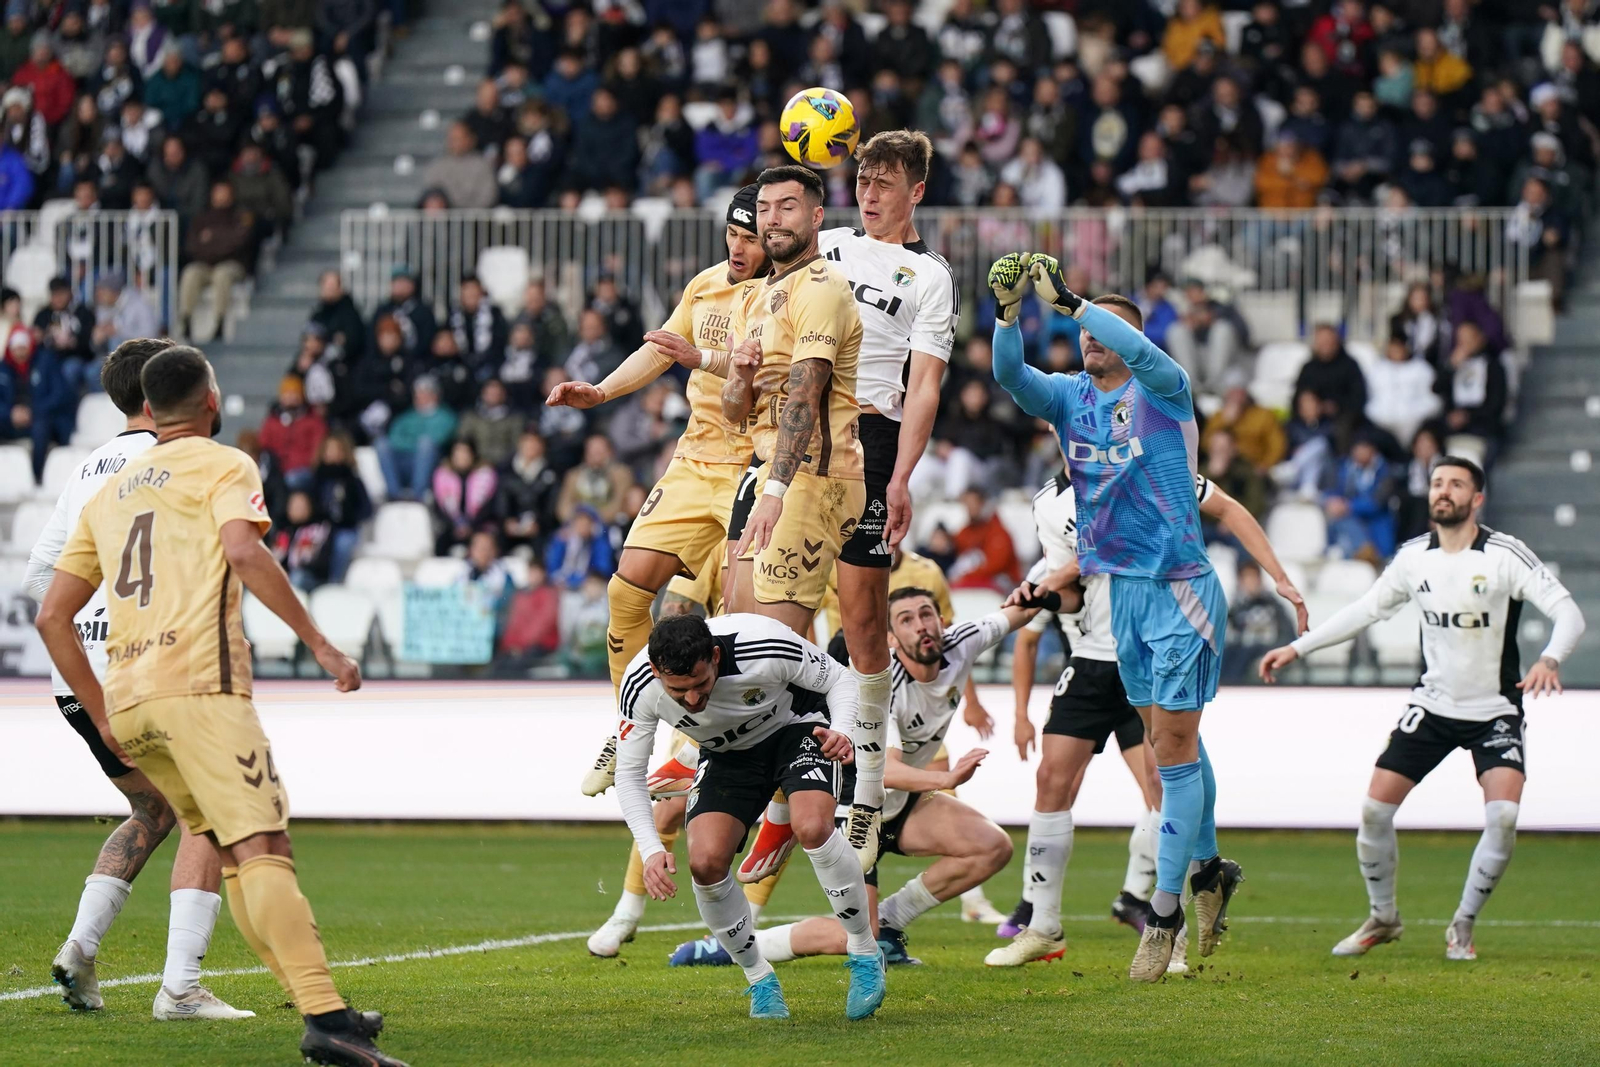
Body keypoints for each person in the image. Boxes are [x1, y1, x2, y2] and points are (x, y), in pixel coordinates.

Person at [34, 345, 406, 1065]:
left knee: (229, 849)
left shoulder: (106, 490)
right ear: (211, 401)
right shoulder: (225, 464)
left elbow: (52, 613)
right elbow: (243, 550)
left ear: (147, 407)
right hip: (199, 688)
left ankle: (307, 1007)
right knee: (264, 846)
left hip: (130, 700)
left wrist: (102, 714)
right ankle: (325, 1019)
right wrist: (323, 645)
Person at [988, 252, 1237, 982]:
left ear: (1136, 340)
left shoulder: (1165, 390)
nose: (1091, 338)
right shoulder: (1070, 396)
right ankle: (1209, 868)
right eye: (1086, 331)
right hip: (1121, 594)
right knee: (1172, 744)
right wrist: (1008, 316)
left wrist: (1072, 302)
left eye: (1107, 329)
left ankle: (1163, 914)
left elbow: (1137, 350)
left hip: (1180, 588)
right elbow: (1011, 376)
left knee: (1172, 748)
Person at [1260, 457, 1584, 962]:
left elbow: (1569, 613)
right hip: (1432, 705)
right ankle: (1383, 917)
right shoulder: (1414, 557)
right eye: (1437, 483)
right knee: (1374, 810)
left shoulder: (1504, 554)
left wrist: (1549, 658)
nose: (1443, 491)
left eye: (1456, 484)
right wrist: (1298, 648)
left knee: (1503, 817)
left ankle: (1463, 923)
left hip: (1494, 709)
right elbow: (1366, 610)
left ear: (1477, 499)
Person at [992, 466, 1307, 968]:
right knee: (1051, 780)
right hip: (1091, 658)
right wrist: (1045, 592)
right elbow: (1072, 596)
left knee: (1165, 784)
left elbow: (1222, 507)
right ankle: (1043, 925)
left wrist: (1281, 576)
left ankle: (1167, 921)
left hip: (1153, 646)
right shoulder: (1047, 502)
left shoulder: (1147, 464)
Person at [24, 338, 251, 1021]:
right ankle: (181, 986)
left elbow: (38, 578)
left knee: (155, 811)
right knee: (210, 810)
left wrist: (93, 617)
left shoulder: (86, 466)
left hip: (80, 680)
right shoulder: (177, 458)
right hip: (149, 667)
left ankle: (79, 948)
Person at [677, 589, 1048, 970]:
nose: (921, 626)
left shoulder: (961, 642)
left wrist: (1041, 590)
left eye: (926, 615)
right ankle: (732, 947)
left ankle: (890, 923)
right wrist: (947, 777)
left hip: (899, 804)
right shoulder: (883, 687)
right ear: (890, 639)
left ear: (942, 621)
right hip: (857, 806)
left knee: (992, 847)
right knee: (857, 935)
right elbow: (886, 769)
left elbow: (1018, 612)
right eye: (906, 620)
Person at [613, 613, 884, 1021]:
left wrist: (843, 730)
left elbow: (841, 679)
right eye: (678, 690)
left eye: (701, 684)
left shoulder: (765, 644)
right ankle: (759, 979)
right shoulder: (639, 685)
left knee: (812, 826)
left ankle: (864, 952)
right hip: (726, 755)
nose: (692, 699)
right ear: (656, 671)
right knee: (705, 863)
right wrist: (651, 849)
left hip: (799, 728)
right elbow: (629, 773)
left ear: (715, 656)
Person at [375, 376, 458, 501]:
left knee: (425, 444)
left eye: (425, 393)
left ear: (435, 395)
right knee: (381, 443)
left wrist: (413, 443)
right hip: (404, 461)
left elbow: (440, 439)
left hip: (431, 464)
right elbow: (393, 438)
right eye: (418, 394)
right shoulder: (406, 417)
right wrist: (415, 444)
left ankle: (418, 495)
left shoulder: (446, 417)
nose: (420, 397)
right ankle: (394, 494)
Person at [308, 433, 371, 584]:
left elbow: (366, 509)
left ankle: (333, 583)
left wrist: (348, 516)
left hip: (344, 527)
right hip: (319, 526)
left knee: (343, 543)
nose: (333, 454)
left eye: (337, 450)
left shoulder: (353, 480)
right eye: (329, 450)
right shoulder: (315, 479)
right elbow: (308, 505)